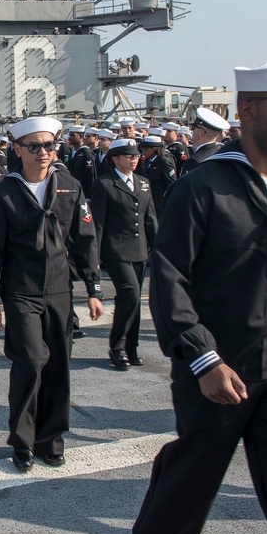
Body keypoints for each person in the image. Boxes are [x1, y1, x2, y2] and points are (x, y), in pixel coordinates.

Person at [133, 61, 267, 534]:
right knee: (185, 496)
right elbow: (168, 277)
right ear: (247, 109)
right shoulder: (203, 186)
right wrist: (202, 359)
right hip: (217, 371)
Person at [0, 117, 103, 471]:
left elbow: (85, 239)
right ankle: (22, 440)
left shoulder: (70, 185)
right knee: (30, 361)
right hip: (21, 291)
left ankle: (52, 438)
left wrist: (93, 289)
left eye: (49, 145)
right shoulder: (3, 192)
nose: (44, 152)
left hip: (60, 290)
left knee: (58, 367)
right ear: (17, 149)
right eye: (34, 146)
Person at [90, 138, 157, 370]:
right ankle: (117, 347)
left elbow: (150, 219)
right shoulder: (105, 184)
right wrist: (94, 257)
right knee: (130, 294)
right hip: (115, 250)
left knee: (135, 300)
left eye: (136, 155)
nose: (134, 159)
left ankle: (131, 347)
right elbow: (97, 224)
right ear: (115, 159)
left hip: (140, 251)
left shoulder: (143, 182)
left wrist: (159, 249)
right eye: (129, 155)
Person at [182, 107, 229, 175]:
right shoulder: (224, 153)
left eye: (193, 127)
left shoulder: (195, 161)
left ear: (202, 132)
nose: (191, 130)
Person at [140, 135, 176, 215]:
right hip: (149, 199)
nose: (143, 151)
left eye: (146, 149)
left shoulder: (164, 162)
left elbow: (171, 182)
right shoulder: (148, 160)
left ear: (154, 149)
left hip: (160, 202)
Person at [66, 125, 98, 197]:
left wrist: (90, 197)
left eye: (73, 135)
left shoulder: (87, 153)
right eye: (69, 135)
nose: (69, 138)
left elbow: (91, 176)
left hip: (84, 193)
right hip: (73, 191)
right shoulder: (71, 152)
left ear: (80, 136)